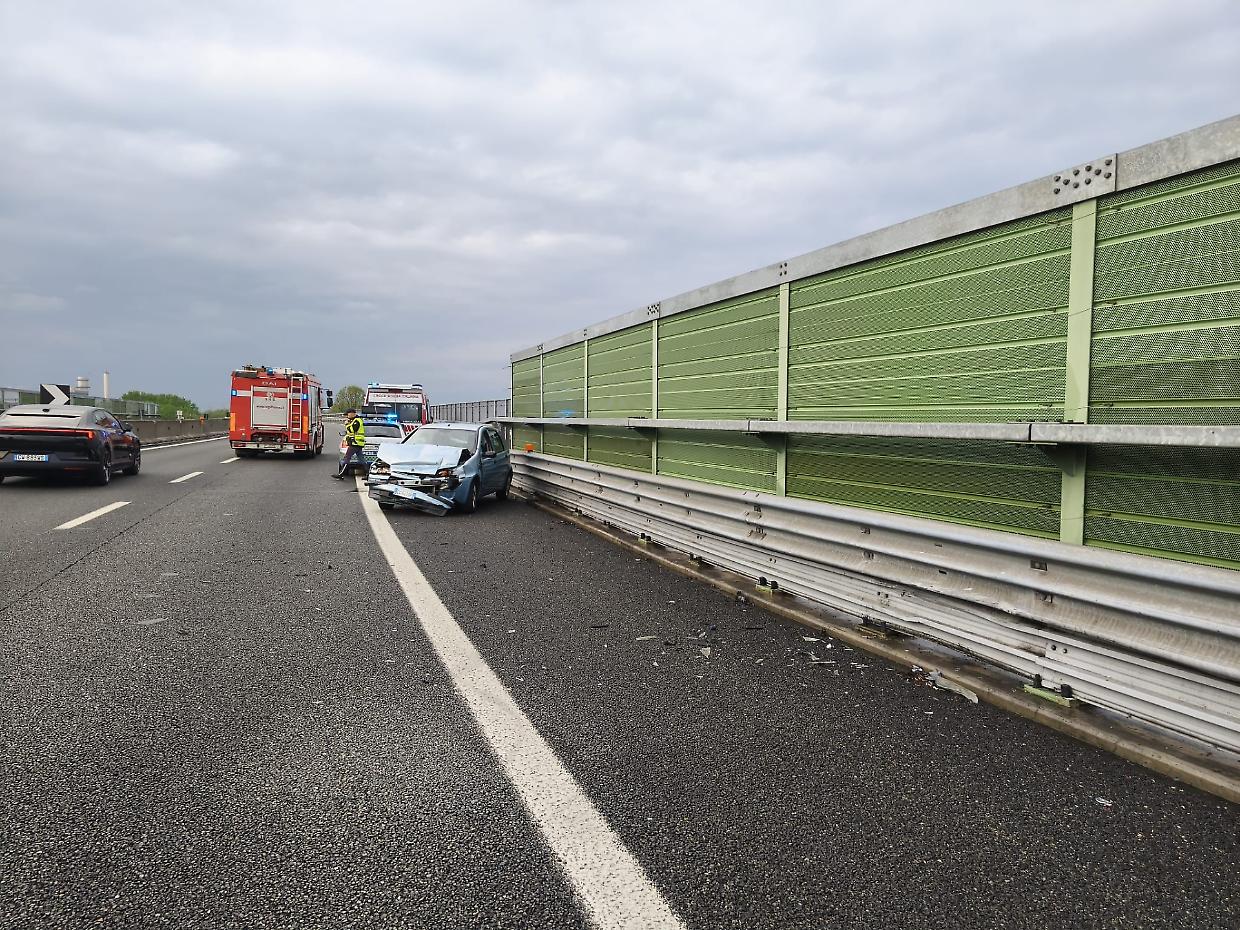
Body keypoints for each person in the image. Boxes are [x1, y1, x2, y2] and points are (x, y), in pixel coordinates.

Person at [333, 409, 367, 479]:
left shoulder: (357, 421)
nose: (347, 416)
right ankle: (368, 474)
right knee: (361, 459)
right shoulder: (355, 420)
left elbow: (352, 430)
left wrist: (347, 424)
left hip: (355, 443)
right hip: (356, 443)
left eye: (348, 414)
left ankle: (341, 474)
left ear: (352, 413)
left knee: (347, 458)